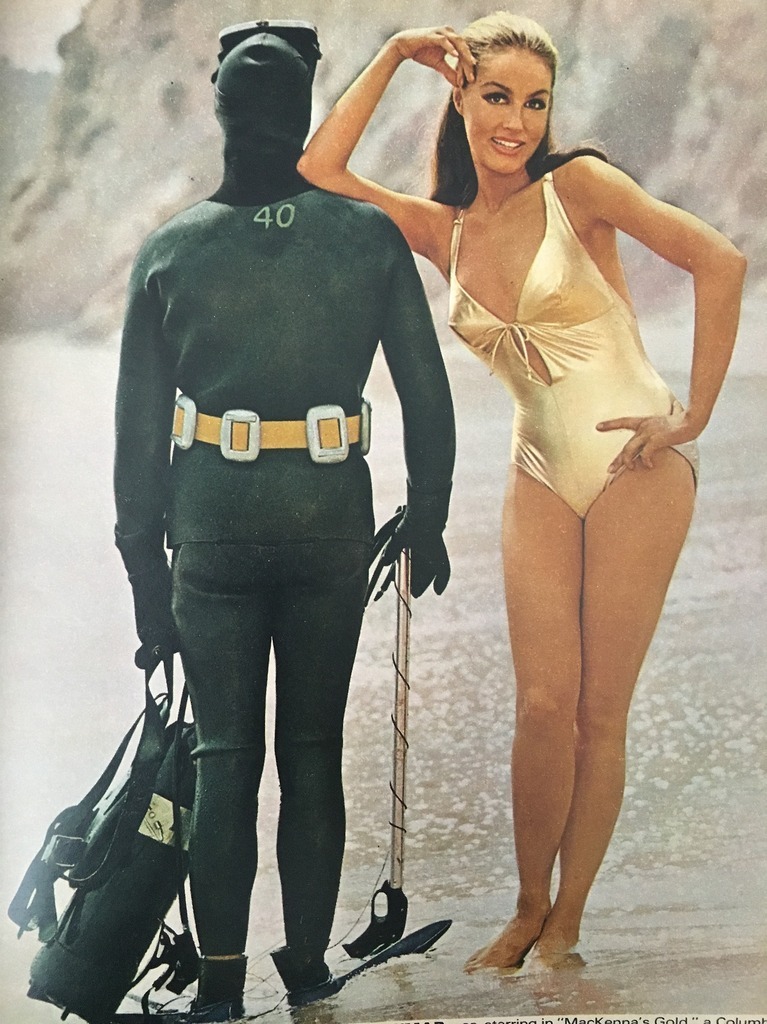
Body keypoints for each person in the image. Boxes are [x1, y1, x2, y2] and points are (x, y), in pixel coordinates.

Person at [298, 12, 746, 971]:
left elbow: (720, 260)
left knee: (596, 714)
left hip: (635, 468)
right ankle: (526, 906)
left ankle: (566, 921)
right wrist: (395, 52)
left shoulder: (577, 186)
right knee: (542, 706)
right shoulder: (443, 232)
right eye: (495, 96)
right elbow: (321, 171)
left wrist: (692, 416)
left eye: (535, 103)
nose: (516, 121)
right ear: (459, 98)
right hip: (535, 470)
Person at [114, 21, 455, 1021]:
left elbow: (135, 445)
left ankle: (220, 986)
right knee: (310, 750)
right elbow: (425, 398)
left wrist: (145, 586)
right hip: (327, 519)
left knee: (224, 756)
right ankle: (304, 966)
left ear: (220, 112)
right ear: (303, 113)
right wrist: (427, 516)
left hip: (211, 525)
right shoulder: (367, 237)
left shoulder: (169, 250)